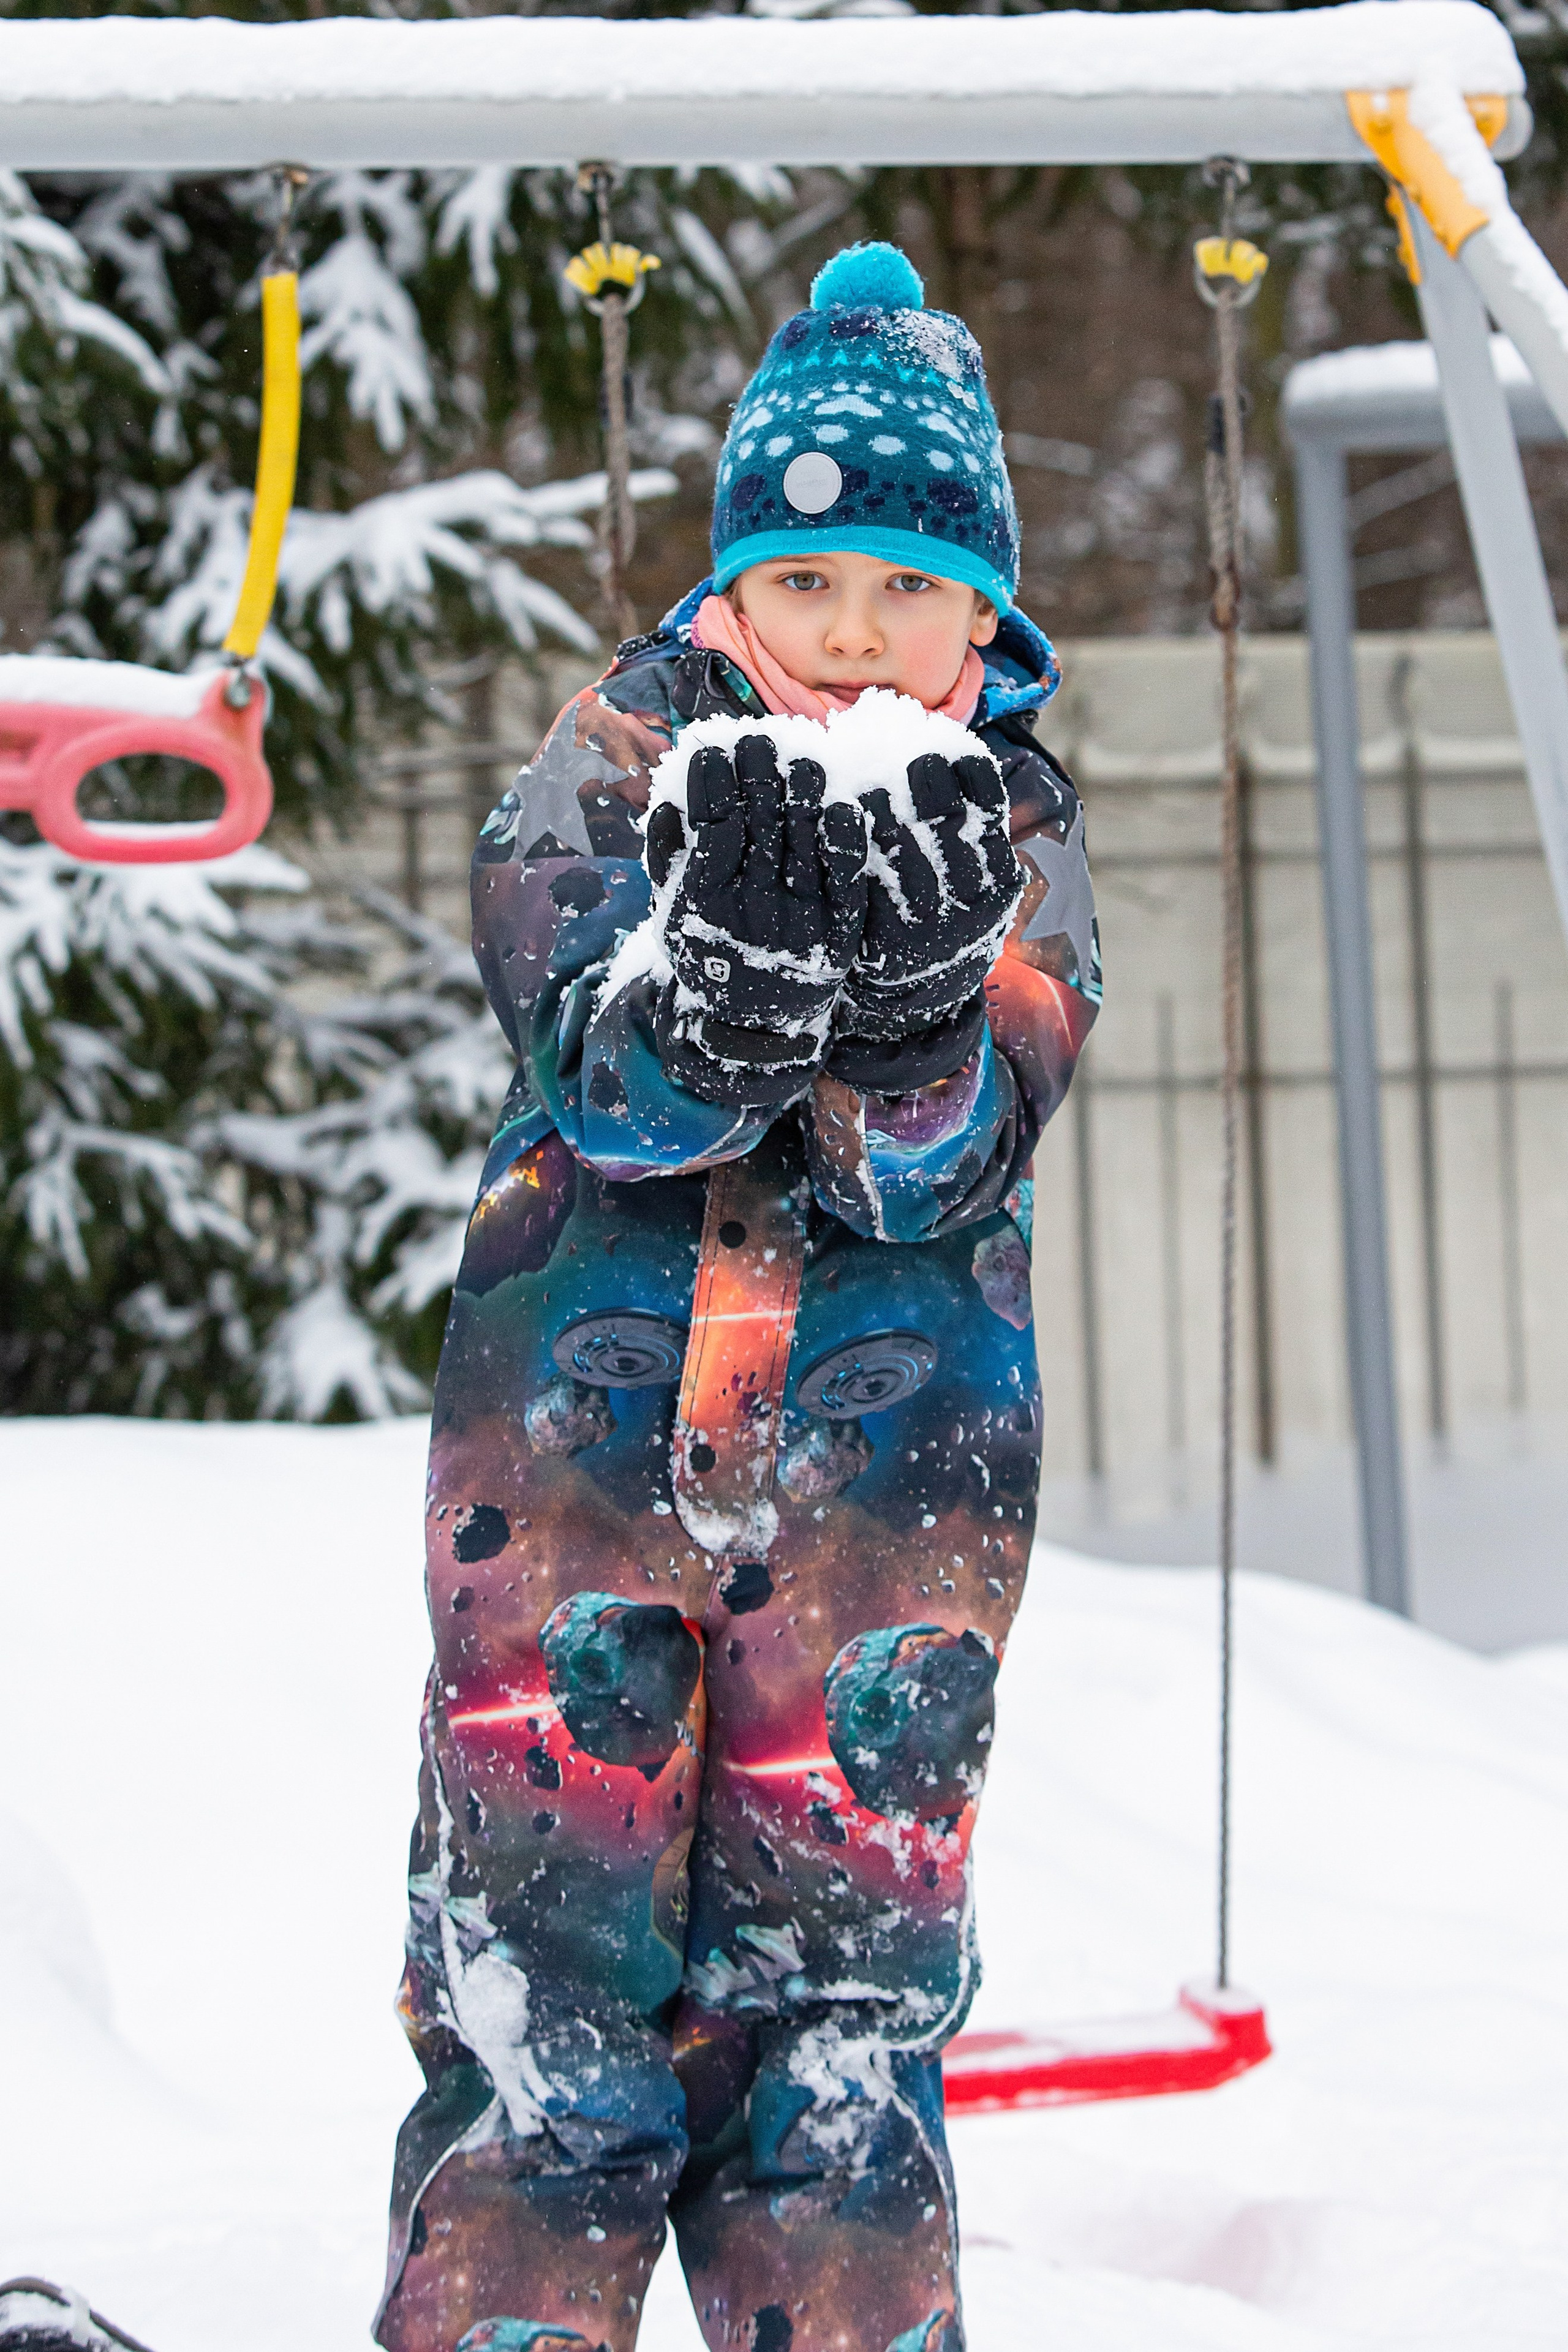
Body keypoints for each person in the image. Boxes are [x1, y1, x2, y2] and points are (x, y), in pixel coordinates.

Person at [375, 242, 1100, 2352]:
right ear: (730, 592)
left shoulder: (1016, 832)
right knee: (544, 2004)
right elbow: (592, 1063)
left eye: (904, 589)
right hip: (571, 1507)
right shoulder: (615, 756)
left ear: (985, 611)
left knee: (844, 2036)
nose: (852, 639)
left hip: (884, 1524)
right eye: (803, 587)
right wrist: (717, 997)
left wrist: (899, 1020)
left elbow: (956, 1146)